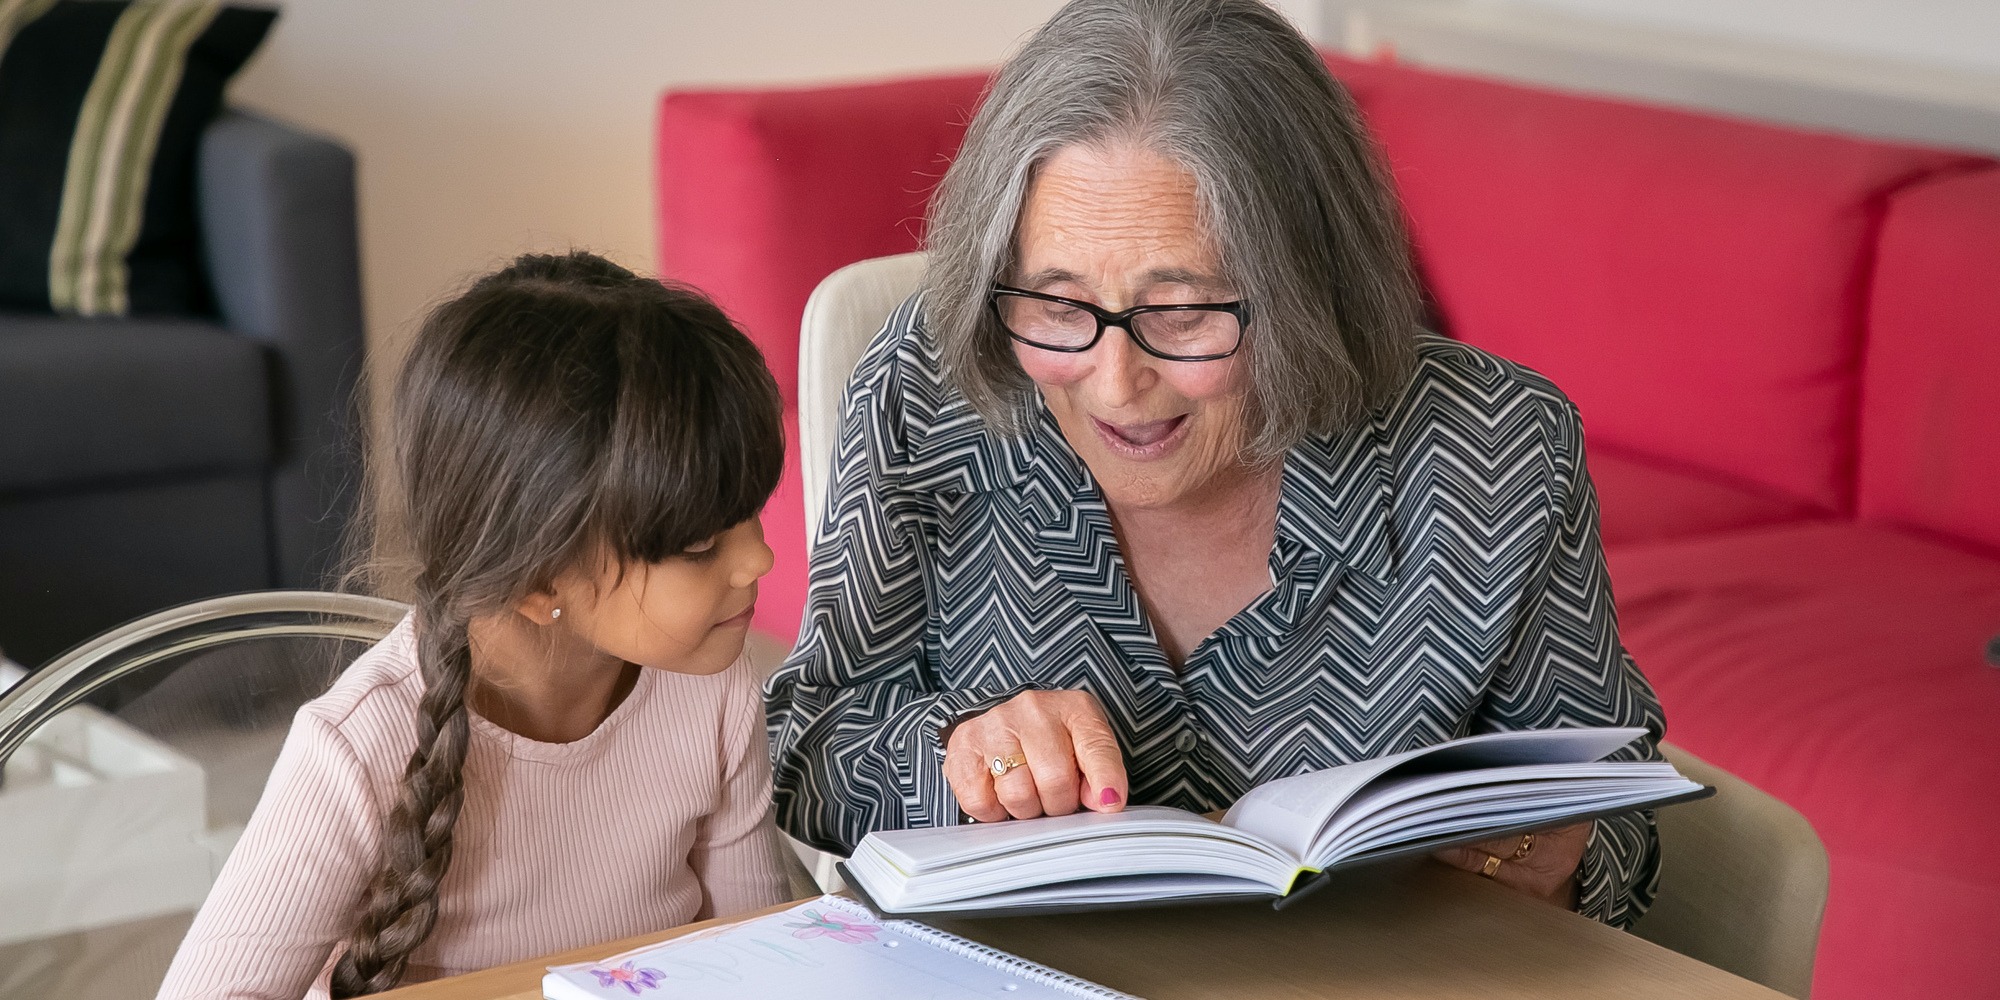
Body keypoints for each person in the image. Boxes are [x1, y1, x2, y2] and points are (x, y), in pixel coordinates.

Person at [766, 0, 1668, 928]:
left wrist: (1554, 855)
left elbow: (1615, 803)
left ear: (1312, 289)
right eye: (1058, 306)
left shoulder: (1492, 446)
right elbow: (807, 748)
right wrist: (954, 753)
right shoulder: (936, 385)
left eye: (1184, 312)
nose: (1116, 387)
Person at [158, 252, 792, 998]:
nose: (760, 557)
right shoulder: (357, 750)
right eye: (698, 546)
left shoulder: (709, 685)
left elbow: (763, 963)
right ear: (536, 578)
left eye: (750, 511)